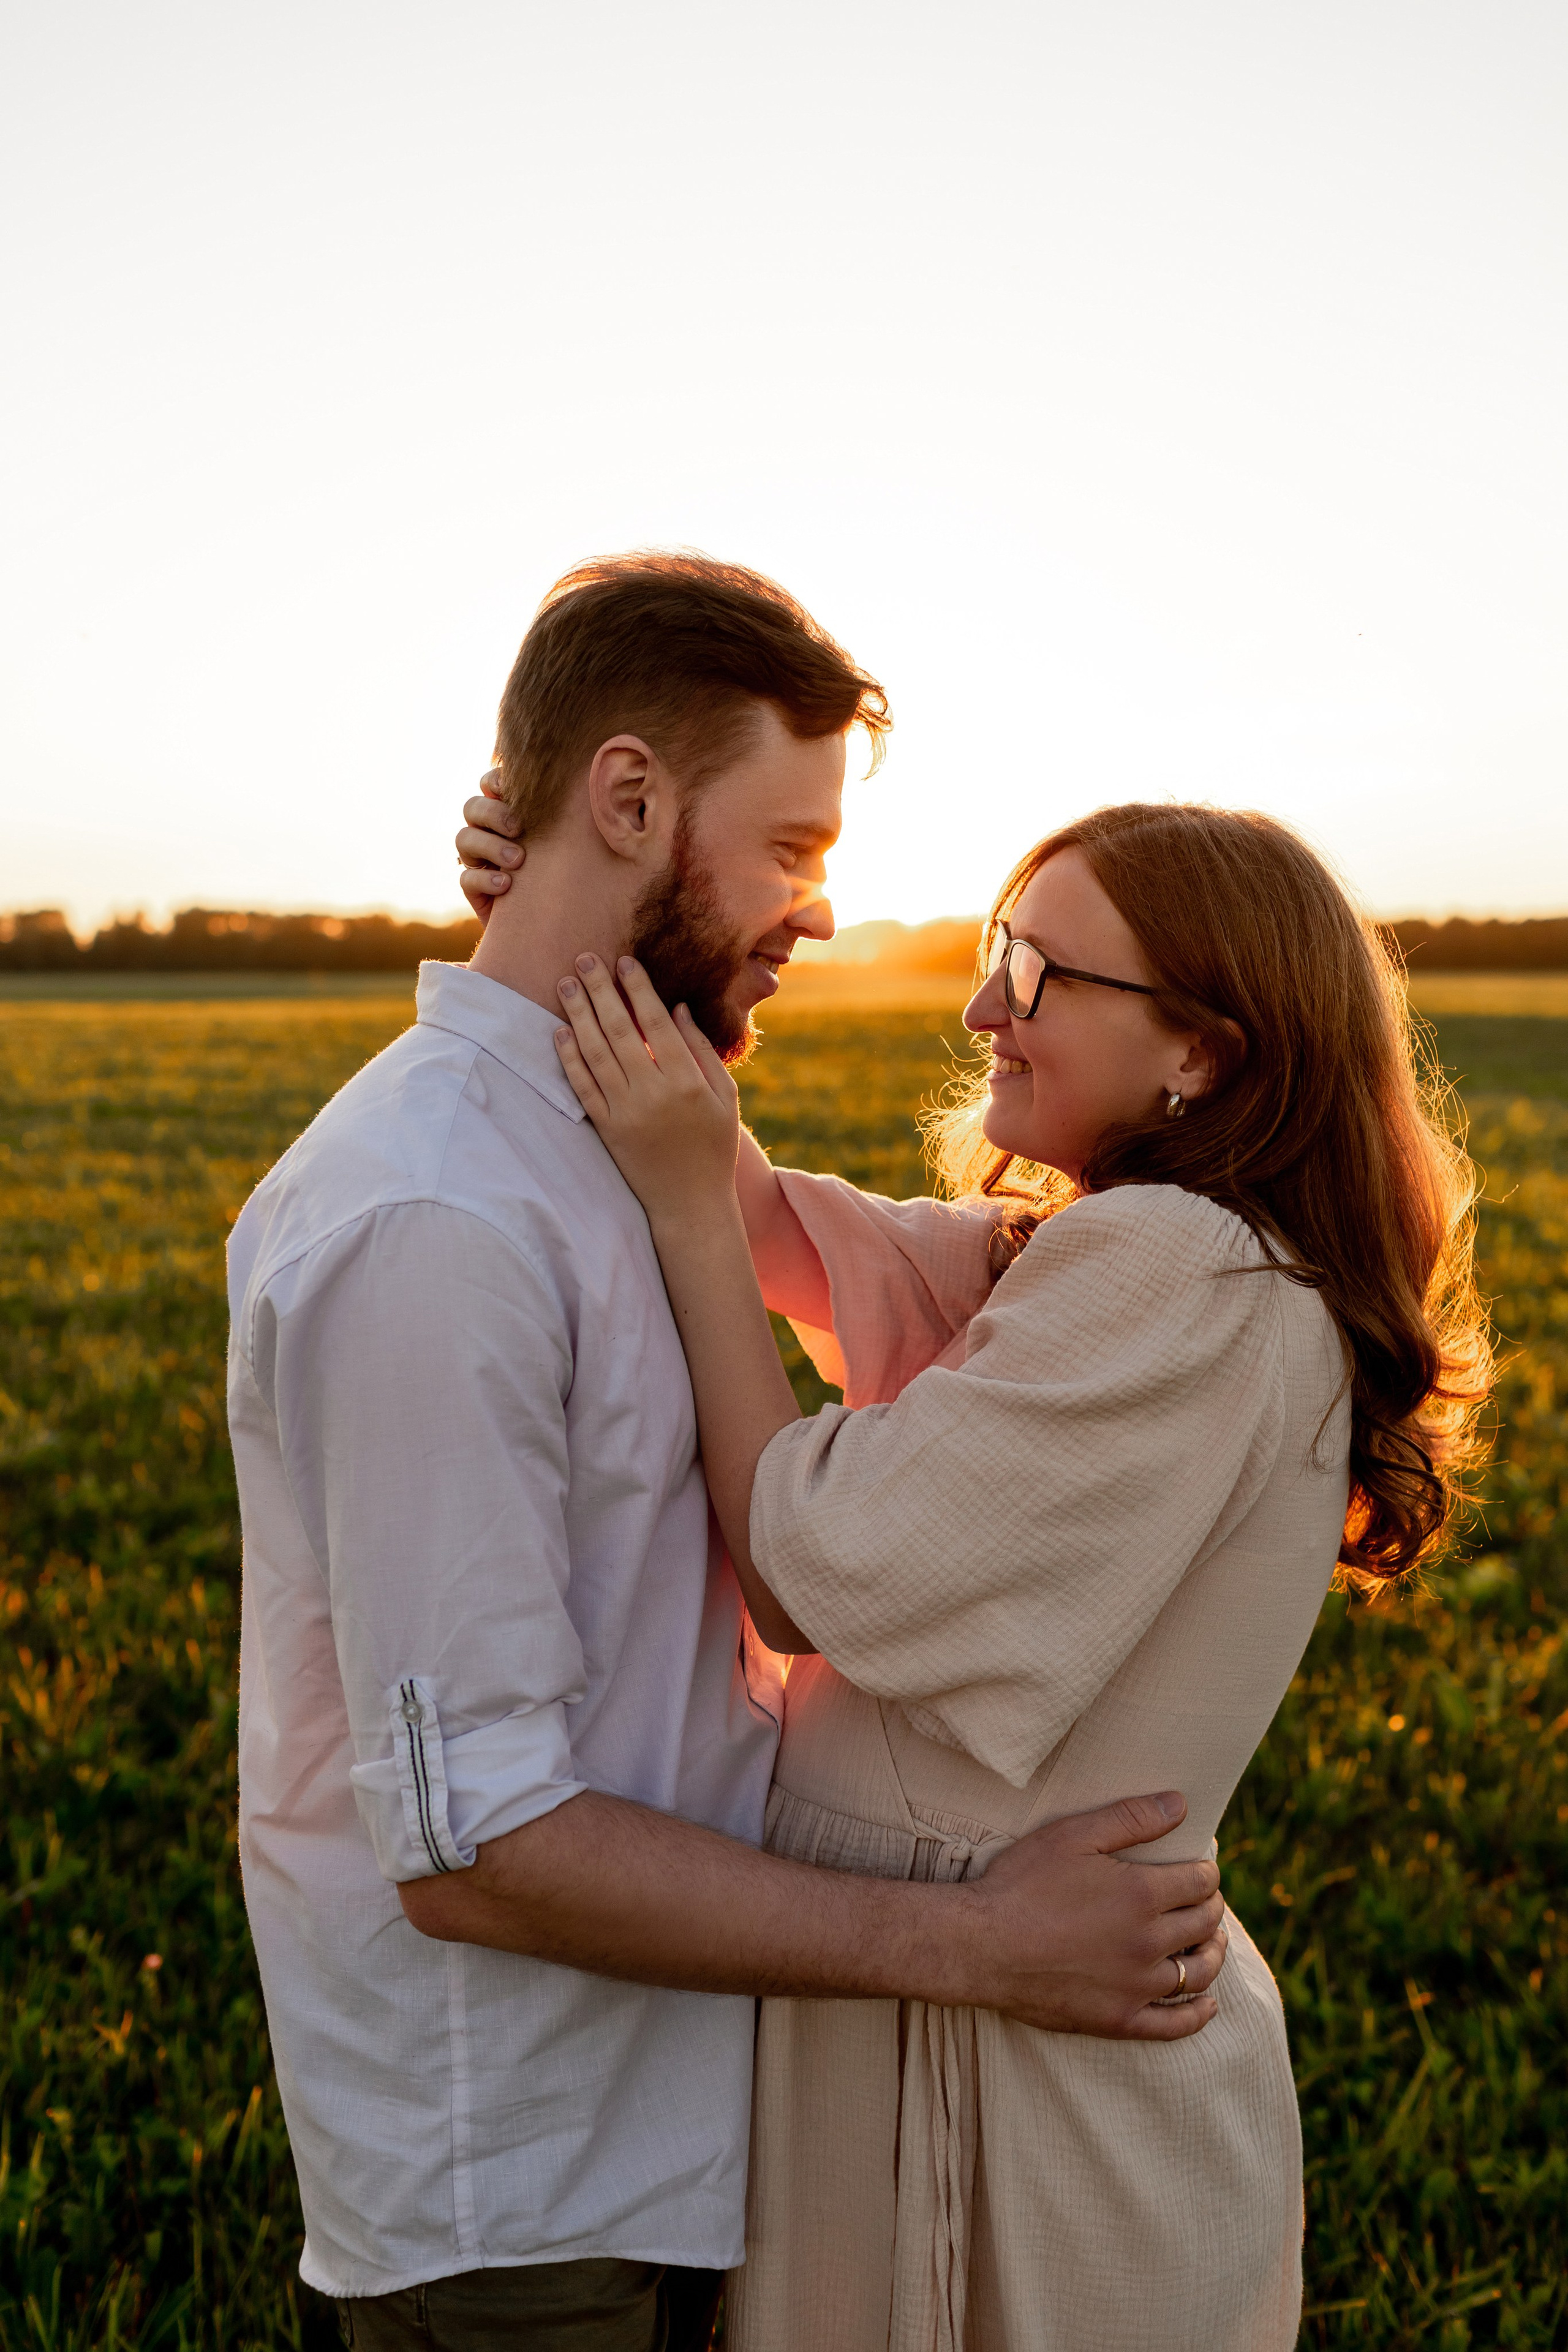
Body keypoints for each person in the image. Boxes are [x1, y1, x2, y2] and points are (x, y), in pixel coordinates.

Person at [228, 554, 1229, 2352]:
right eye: (790, 850)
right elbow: (479, 1849)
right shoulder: (433, 1221)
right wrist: (977, 1945)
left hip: (678, 2144)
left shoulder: (626, 1129)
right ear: (628, 798)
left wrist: (587, 888)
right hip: (527, 2215)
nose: (824, 913)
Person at [510, 797, 1490, 2351]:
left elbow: (805, 1563)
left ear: (1205, 1055)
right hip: (991, 2002)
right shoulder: (1120, 1250)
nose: (981, 1010)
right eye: (992, 951)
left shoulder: (1180, 1272)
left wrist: (691, 1210)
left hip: (1028, 2069)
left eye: (1036, 973)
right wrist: (587, 891)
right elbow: (771, 1212)